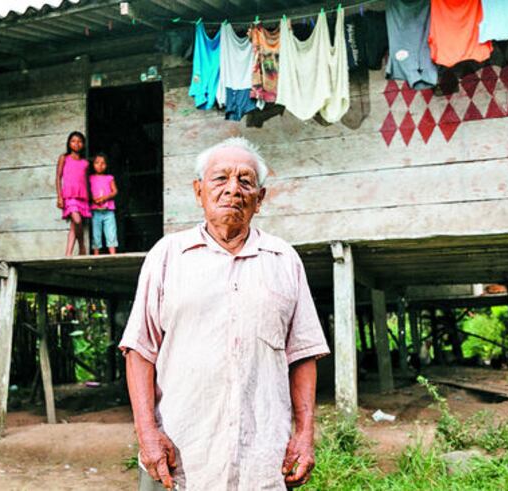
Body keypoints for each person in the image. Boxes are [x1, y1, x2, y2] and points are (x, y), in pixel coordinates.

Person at [119, 137, 330, 490]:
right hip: (181, 457)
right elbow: (140, 350)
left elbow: (303, 354)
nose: (233, 189)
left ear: (259, 199)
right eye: (220, 179)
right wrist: (147, 433)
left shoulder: (284, 260)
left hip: (263, 460)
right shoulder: (168, 255)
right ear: (198, 190)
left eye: (245, 181)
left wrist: (305, 435)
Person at [56, 131, 91, 256]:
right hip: (69, 196)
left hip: (82, 196)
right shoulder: (64, 158)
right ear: (69, 143)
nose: (76, 144)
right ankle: (81, 245)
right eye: (73, 141)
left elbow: (86, 181)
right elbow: (58, 177)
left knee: (73, 227)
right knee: (77, 220)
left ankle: (68, 253)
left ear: (83, 144)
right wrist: (59, 197)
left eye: (80, 141)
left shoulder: (85, 163)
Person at [89, 153, 119, 255]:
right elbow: (88, 191)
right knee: (96, 234)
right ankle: (96, 255)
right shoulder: (90, 178)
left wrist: (105, 198)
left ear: (107, 165)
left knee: (111, 233)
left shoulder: (109, 178)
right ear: (93, 164)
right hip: (95, 212)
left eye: (103, 163)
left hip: (108, 212)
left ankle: (113, 255)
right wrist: (93, 199)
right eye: (97, 163)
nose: (100, 165)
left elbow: (115, 191)